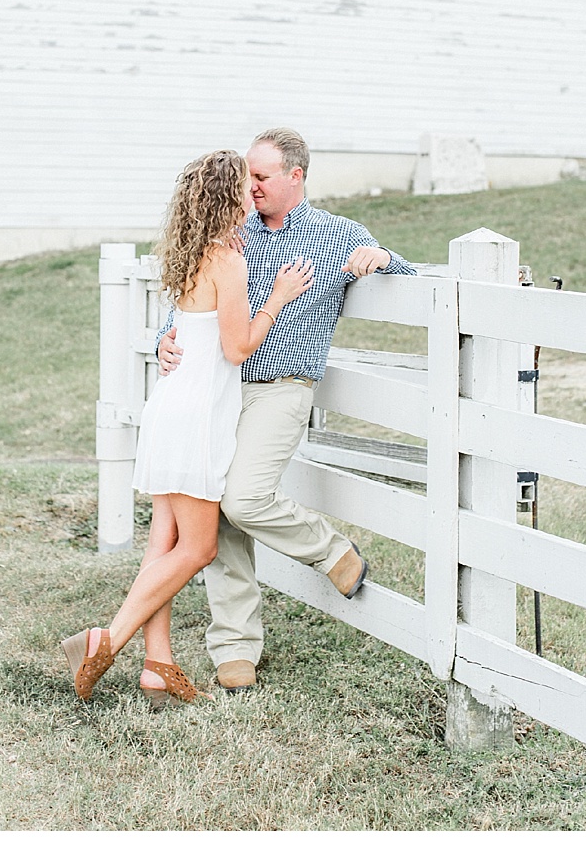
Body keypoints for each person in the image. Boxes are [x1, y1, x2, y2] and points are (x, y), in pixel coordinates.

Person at [156, 127, 415, 693]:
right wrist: (163, 340)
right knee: (215, 511)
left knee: (244, 498)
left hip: (281, 388)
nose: (250, 186)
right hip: (220, 387)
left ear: (296, 176)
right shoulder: (232, 230)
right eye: (247, 175)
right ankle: (234, 646)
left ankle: (331, 550)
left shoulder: (337, 234)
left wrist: (384, 258)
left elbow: (411, 279)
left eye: (261, 176)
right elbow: (190, 300)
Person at [63, 150, 313, 704]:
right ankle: (107, 640)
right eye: (244, 187)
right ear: (227, 198)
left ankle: (158, 666)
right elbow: (237, 348)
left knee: (165, 542)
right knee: (198, 549)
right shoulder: (228, 260)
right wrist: (277, 299)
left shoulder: (192, 253)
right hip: (197, 416)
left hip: (170, 408)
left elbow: (192, 334)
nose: (252, 194)